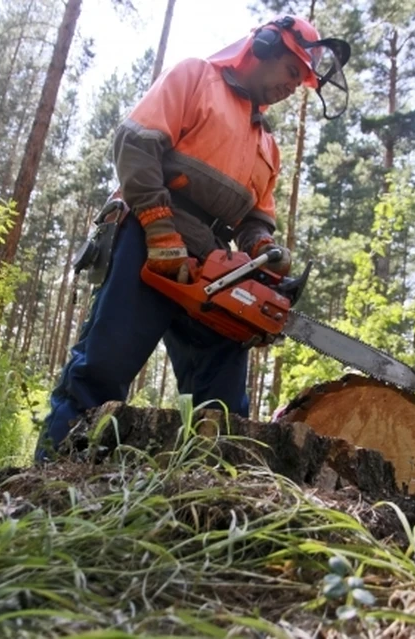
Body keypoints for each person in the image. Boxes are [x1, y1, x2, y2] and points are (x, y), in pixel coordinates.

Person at [35, 15, 351, 461]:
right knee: (103, 367)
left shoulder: (268, 145)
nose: (293, 87)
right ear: (262, 47)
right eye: (290, 72)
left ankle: (210, 498)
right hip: (146, 238)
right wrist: (160, 228)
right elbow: (136, 145)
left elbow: (256, 219)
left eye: (301, 80)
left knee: (222, 399)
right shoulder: (195, 77)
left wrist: (263, 250)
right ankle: (57, 473)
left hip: (211, 265)